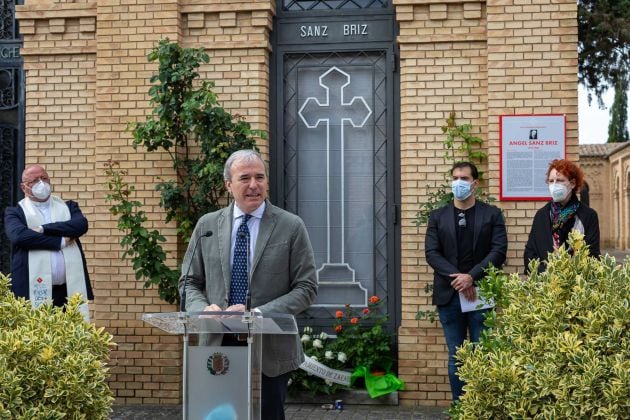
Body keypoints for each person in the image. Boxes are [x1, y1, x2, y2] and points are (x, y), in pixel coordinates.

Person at [179, 149, 318, 419]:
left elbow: (307, 287)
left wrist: (257, 314)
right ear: (228, 185)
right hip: (219, 342)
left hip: (271, 347)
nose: (254, 185)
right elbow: (189, 282)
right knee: (221, 415)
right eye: (244, 178)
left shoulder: (291, 226)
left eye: (260, 177)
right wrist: (204, 309)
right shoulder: (207, 225)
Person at [425, 161, 507, 402]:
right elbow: (432, 253)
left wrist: (472, 276)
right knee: (457, 356)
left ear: (475, 183)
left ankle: (480, 408)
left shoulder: (491, 214)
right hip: (449, 296)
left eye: (463, 178)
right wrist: (460, 280)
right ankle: (461, 409)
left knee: (483, 354)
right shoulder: (438, 216)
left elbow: (499, 251)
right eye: (455, 178)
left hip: (480, 294)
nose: (458, 183)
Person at [4, 164, 93, 317]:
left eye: (44, 178)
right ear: (24, 187)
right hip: (30, 288)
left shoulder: (69, 206)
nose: (41, 183)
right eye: (34, 180)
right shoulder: (15, 212)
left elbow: (80, 225)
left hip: (68, 289)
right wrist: (60, 242)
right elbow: (19, 236)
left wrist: (42, 229)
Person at [524, 159, 600, 273]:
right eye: (551, 181)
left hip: (576, 285)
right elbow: (529, 254)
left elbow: (593, 255)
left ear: (573, 183)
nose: (554, 185)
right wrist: (547, 272)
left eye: (559, 180)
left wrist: (567, 275)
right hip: (545, 285)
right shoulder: (542, 215)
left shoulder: (588, 216)